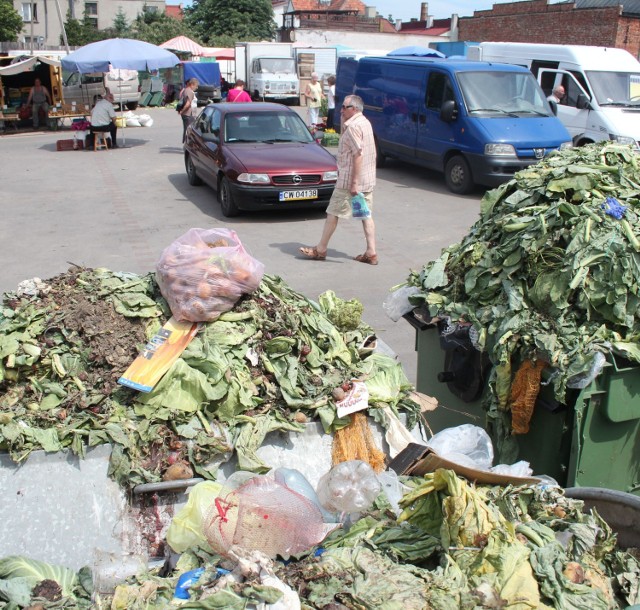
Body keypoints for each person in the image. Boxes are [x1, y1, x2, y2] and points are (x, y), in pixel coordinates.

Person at [299, 95, 378, 265]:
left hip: (350, 182)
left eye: (344, 107)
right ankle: (371, 252)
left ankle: (320, 249)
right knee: (366, 214)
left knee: (333, 213)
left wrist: (354, 183)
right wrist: (343, 121)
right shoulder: (364, 122)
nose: (340, 110)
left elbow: (358, 155)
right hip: (367, 180)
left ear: (354, 109)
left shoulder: (353, 127)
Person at [179, 78, 199, 143]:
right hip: (189, 114)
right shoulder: (189, 92)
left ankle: (186, 142)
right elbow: (188, 104)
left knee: (187, 129)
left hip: (187, 114)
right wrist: (182, 111)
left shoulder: (186, 90)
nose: (197, 87)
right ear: (192, 84)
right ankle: (187, 144)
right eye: (196, 86)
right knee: (189, 130)